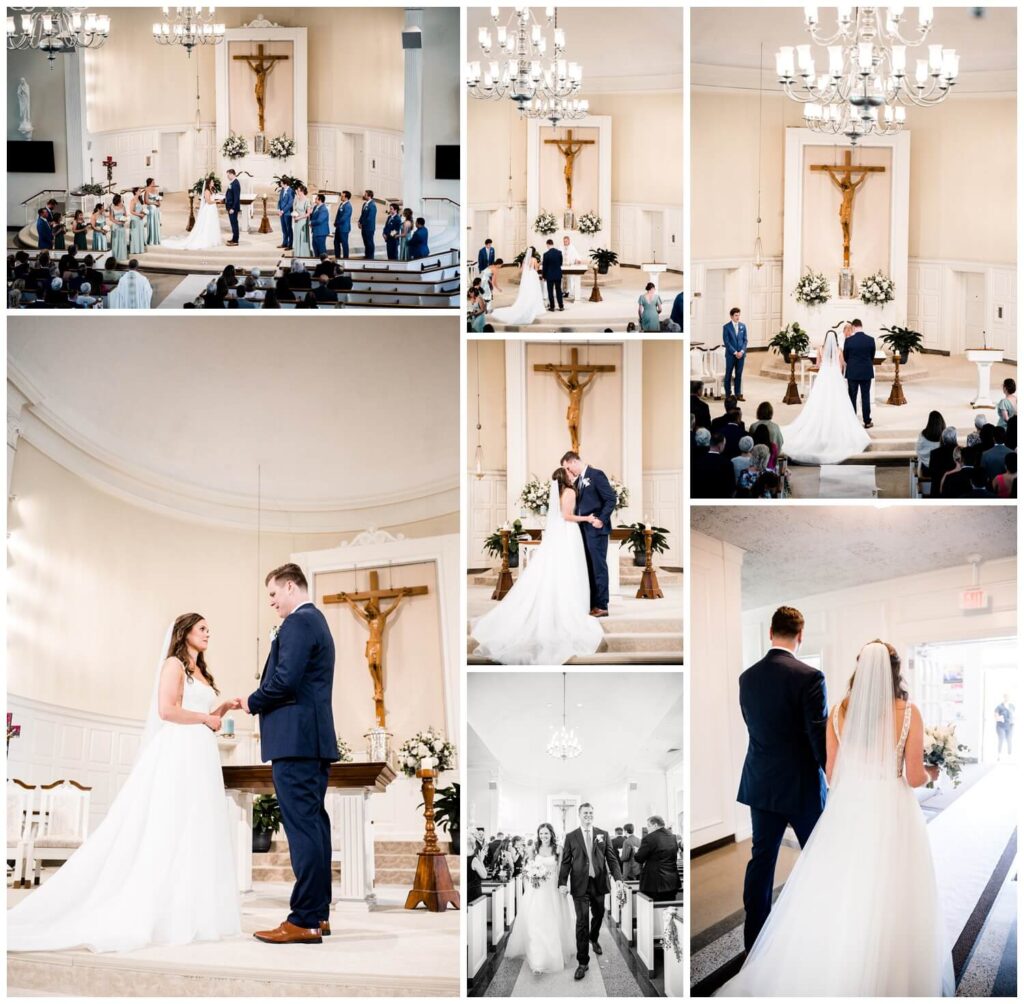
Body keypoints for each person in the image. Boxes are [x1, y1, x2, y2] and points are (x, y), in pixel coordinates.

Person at [719, 641, 952, 996]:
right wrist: (935, 772)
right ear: (895, 670)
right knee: (891, 884)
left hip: (849, 806)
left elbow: (831, 771)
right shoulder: (909, 713)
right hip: (892, 805)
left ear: (860, 668)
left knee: (839, 882)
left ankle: (831, 953)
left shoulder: (840, 711)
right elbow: (916, 775)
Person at [7, 614, 241, 951]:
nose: (208, 633)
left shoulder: (201, 670)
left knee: (196, 826)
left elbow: (201, 716)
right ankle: (161, 910)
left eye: (209, 629)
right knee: (172, 825)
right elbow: (167, 711)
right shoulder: (174, 664)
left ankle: (194, 912)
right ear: (185, 632)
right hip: (179, 752)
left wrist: (220, 708)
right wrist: (205, 717)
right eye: (202, 628)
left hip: (201, 754)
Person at [236, 564, 339, 944]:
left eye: (274, 594)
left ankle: (304, 918)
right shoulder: (318, 621)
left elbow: (284, 681)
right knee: (315, 826)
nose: (272, 602)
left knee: (303, 829)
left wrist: (251, 701)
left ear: (291, 587)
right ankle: (319, 914)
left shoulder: (298, 623)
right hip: (309, 740)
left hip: (296, 742)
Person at [735, 606, 826, 952]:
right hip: (803, 787)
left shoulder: (747, 678)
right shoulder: (810, 677)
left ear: (770, 633)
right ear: (800, 637)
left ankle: (754, 938)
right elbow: (817, 738)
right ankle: (817, 928)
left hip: (761, 784)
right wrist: (831, 775)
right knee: (818, 856)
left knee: (762, 858)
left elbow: (753, 726)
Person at [470, 468, 603, 665]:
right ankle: (569, 606)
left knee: (563, 571)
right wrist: (588, 518)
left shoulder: (561, 492)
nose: (571, 474)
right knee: (570, 570)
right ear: (565, 478)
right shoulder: (570, 492)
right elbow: (567, 516)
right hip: (568, 532)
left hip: (562, 533)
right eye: (568, 472)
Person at [780, 327, 870, 464]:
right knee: (837, 402)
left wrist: (823, 367)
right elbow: (841, 367)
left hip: (823, 376)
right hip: (835, 376)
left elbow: (817, 364)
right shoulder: (839, 350)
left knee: (820, 402)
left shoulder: (820, 350)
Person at [558, 804, 622, 981]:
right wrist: (562, 882)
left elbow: (611, 857)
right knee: (581, 921)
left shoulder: (603, 834)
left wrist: (618, 878)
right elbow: (565, 861)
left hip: (599, 882)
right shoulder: (571, 836)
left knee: (599, 914)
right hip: (579, 884)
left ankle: (594, 938)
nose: (588, 815)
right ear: (579, 815)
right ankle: (583, 962)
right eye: (585, 813)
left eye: (591, 813)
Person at [505, 823, 576, 975]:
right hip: (536, 890)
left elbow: (561, 869)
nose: (544, 836)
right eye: (541, 834)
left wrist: (562, 886)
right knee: (535, 922)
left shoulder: (558, 849)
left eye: (546, 833)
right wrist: (532, 876)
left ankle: (553, 954)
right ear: (538, 835)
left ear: (551, 834)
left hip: (553, 890)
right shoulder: (534, 849)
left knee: (553, 921)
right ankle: (538, 960)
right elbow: (527, 868)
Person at [164, 178, 222, 251]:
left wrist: (216, 199)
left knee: (212, 224)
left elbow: (212, 198)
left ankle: (212, 238)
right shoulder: (207, 191)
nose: (213, 183)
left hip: (212, 209)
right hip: (209, 209)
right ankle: (207, 239)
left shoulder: (212, 189)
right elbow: (208, 201)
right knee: (207, 224)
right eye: (212, 182)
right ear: (209, 183)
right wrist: (217, 201)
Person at [635, 815, 681, 900]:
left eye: (648, 826)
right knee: (669, 909)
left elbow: (639, 858)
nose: (647, 829)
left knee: (654, 911)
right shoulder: (673, 837)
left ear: (655, 825)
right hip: (672, 881)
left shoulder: (649, 838)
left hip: (654, 883)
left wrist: (636, 852)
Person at [491, 250, 543, 325]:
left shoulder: (525, 259)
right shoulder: (534, 259)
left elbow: (522, 270)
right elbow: (536, 269)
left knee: (527, 290)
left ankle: (525, 302)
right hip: (533, 275)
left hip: (527, 276)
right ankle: (534, 304)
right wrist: (538, 264)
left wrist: (526, 271)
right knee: (534, 290)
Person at [843, 318, 876, 428]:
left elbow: (845, 357)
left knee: (852, 396)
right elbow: (872, 356)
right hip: (866, 371)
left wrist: (852, 364)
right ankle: (867, 421)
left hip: (852, 372)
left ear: (853, 327)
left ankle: (853, 420)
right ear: (861, 326)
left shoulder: (848, 340)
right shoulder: (870, 340)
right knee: (865, 396)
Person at [723, 307, 747, 399]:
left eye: (738, 315)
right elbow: (727, 342)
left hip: (741, 355)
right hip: (730, 355)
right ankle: (728, 394)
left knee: (739, 374)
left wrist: (741, 351)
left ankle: (738, 394)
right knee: (728, 374)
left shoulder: (743, 326)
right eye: (736, 315)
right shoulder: (726, 327)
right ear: (731, 316)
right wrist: (735, 352)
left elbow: (745, 340)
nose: (738, 317)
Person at [928, 427, 959, 499]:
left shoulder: (934, 453)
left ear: (943, 438)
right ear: (955, 438)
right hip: (956, 491)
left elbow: (931, 472)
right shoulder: (961, 451)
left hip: (937, 492)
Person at [916, 410, 945, 475]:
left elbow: (918, 450)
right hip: (941, 469)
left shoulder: (923, 434)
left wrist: (925, 460)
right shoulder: (944, 435)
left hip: (926, 469)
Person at [542, 239, 564, 311]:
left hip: (549, 275)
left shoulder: (546, 254)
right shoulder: (559, 252)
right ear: (553, 244)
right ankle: (561, 306)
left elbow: (544, 267)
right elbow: (561, 263)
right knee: (558, 291)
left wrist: (544, 276)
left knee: (550, 291)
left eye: (547, 245)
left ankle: (552, 307)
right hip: (558, 274)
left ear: (548, 244)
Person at [292, 185, 312, 258]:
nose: (297, 192)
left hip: (303, 221)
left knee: (302, 237)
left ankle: (304, 254)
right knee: (297, 237)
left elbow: (308, 213)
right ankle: (297, 254)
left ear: (302, 191)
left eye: (298, 191)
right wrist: (294, 215)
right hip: (297, 221)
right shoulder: (296, 199)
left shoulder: (307, 200)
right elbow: (294, 209)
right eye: (297, 190)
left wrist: (299, 217)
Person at [108, 194, 129, 261]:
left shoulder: (123, 206)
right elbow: (111, 218)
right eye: (121, 199)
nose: (122, 200)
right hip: (115, 225)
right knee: (116, 241)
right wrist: (117, 222)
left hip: (122, 225)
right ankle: (115, 256)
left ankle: (122, 256)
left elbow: (126, 215)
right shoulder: (112, 207)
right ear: (118, 199)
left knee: (122, 241)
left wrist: (124, 220)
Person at [309, 193, 330, 258]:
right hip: (315, 231)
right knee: (315, 247)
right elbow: (312, 216)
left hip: (321, 232)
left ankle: (324, 263)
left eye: (316, 198)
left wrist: (311, 223)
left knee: (321, 249)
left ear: (320, 200)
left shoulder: (324, 209)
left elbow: (319, 220)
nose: (315, 199)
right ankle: (317, 260)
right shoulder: (316, 207)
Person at [224, 169, 241, 246]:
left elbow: (236, 198)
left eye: (228, 175)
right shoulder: (232, 182)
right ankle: (234, 239)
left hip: (232, 208)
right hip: (230, 207)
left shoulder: (235, 183)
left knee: (234, 224)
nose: (227, 176)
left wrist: (233, 208)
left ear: (232, 174)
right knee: (233, 224)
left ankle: (235, 241)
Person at [332, 189, 351, 259]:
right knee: (336, 243)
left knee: (344, 243)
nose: (341, 197)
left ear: (346, 197)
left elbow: (344, 218)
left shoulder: (348, 206)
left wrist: (337, 223)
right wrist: (335, 222)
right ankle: (338, 257)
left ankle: (346, 258)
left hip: (344, 228)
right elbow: (338, 214)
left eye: (342, 196)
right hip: (338, 227)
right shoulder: (341, 204)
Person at [142, 179, 162, 246]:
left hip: (156, 209)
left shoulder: (156, 190)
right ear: (150, 183)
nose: (154, 183)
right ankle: (151, 239)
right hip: (151, 208)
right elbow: (146, 201)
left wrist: (158, 203)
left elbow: (157, 198)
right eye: (153, 182)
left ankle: (156, 239)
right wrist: (154, 203)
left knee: (156, 223)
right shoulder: (147, 190)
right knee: (151, 223)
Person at [278, 176, 295, 251]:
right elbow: (280, 200)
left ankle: (290, 244)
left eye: (281, 183)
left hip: (287, 213)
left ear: (285, 184)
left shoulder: (291, 191)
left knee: (289, 229)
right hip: (281, 212)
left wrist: (283, 211)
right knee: (283, 228)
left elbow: (290, 203)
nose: (280, 184)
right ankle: (284, 242)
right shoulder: (282, 190)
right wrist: (279, 209)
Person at [359, 190, 377, 259]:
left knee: (369, 242)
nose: (364, 195)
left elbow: (369, 218)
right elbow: (362, 214)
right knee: (365, 242)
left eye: (365, 194)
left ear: (369, 196)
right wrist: (359, 221)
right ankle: (367, 255)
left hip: (369, 228)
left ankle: (370, 256)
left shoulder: (372, 205)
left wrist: (362, 224)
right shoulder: (365, 204)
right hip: (364, 226)